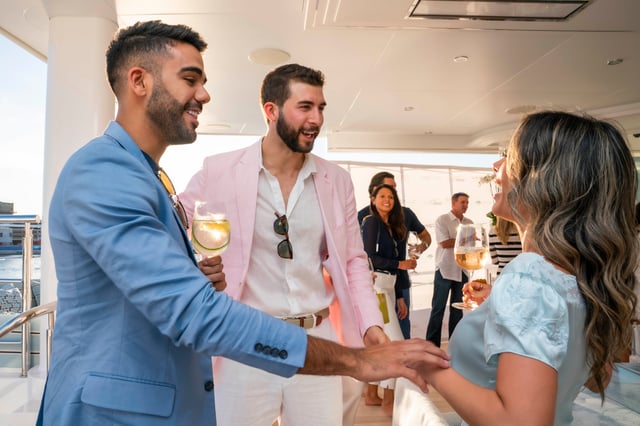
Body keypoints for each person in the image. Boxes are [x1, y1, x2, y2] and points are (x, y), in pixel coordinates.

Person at [36, 21, 451, 426]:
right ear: (139, 81)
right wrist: (357, 359)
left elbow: (154, 271)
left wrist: (193, 274)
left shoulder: (147, 174)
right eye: (190, 78)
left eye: (320, 107)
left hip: (284, 341)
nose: (205, 94)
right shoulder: (107, 170)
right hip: (123, 403)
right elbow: (191, 313)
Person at [180, 63, 420, 425]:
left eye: (321, 108)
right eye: (305, 107)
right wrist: (196, 269)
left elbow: (354, 261)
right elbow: (175, 222)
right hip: (244, 341)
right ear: (271, 111)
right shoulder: (219, 170)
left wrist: (372, 326)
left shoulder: (336, 180)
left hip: (315, 344)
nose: (316, 119)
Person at [416, 111, 638, 425]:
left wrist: (425, 366)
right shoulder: (578, 279)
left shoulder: (529, 277)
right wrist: (500, 303)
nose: (496, 167)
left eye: (508, 155)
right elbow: (593, 378)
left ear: (542, 180)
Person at [360, 184, 416, 415]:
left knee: (380, 345)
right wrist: (399, 264)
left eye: (390, 196)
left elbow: (396, 266)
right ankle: (388, 401)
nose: (387, 199)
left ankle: (372, 395)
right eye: (382, 196)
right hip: (377, 290)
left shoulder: (392, 225)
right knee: (394, 346)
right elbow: (368, 257)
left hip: (389, 289)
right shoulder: (371, 222)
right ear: (373, 199)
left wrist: (401, 296)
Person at [357, 171, 432, 339]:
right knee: (386, 334)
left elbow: (426, 237)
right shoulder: (366, 218)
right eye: (385, 192)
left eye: (393, 193)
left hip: (398, 283)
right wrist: (400, 264)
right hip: (377, 285)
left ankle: (405, 362)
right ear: (374, 193)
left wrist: (420, 248)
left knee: (401, 330)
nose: (390, 197)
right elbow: (367, 258)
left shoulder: (402, 217)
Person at [425, 192, 472, 347]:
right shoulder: (442, 220)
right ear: (453, 203)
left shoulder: (469, 222)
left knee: (458, 311)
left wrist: (462, 241)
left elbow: (471, 247)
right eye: (463, 202)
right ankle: (431, 346)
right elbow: (444, 243)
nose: (466, 205)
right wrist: (464, 239)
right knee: (438, 309)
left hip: (462, 271)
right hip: (445, 270)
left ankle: (455, 345)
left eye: (467, 202)